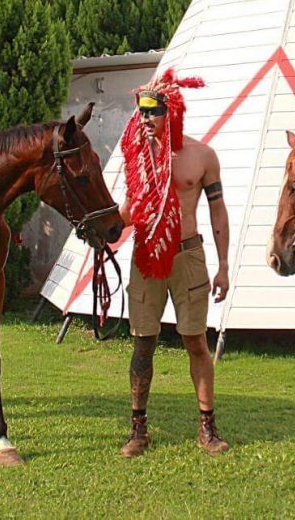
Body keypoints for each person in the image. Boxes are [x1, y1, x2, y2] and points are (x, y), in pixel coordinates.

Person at [117, 68, 231, 457]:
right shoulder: (133, 155)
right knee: (142, 344)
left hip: (189, 254)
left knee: (195, 341)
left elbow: (218, 213)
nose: (146, 118)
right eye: (142, 111)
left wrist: (224, 266)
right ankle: (138, 430)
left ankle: (208, 428)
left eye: (154, 110)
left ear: (173, 111)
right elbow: (128, 213)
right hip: (146, 255)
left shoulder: (201, 155)